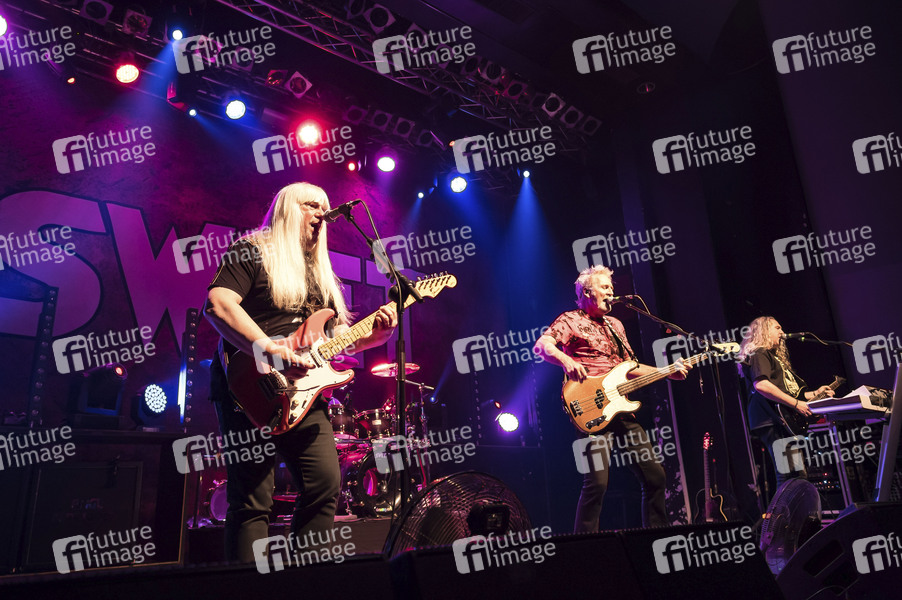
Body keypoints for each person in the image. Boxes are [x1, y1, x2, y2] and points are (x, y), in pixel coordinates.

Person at [204, 182, 397, 562]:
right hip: (250, 385)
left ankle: (307, 579)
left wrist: (376, 336)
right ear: (287, 209)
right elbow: (219, 303)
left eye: (325, 207)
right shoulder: (252, 249)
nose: (321, 214)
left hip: (304, 392)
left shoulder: (319, 274)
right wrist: (270, 348)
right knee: (252, 498)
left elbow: (333, 340)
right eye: (311, 205)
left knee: (325, 484)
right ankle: (247, 586)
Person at [534, 265, 689, 532]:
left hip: (621, 408)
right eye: (605, 287)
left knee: (655, 477)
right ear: (587, 292)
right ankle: (586, 545)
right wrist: (566, 360)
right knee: (597, 483)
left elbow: (630, 367)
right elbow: (542, 346)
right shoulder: (570, 320)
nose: (611, 292)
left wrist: (667, 372)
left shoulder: (616, 325)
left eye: (611, 287)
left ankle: (656, 538)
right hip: (589, 407)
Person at [737, 316, 834, 491]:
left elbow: (793, 393)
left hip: (783, 420)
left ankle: (790, 508)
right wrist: (796, 404)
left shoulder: (776, 359)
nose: (782, 332)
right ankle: (782, 509)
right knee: (788, 476)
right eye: (777, 328)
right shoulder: (759, 353)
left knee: (797, 475)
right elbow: (762, 385)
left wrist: (816, 393)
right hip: (772, 419)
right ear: (764, 331)